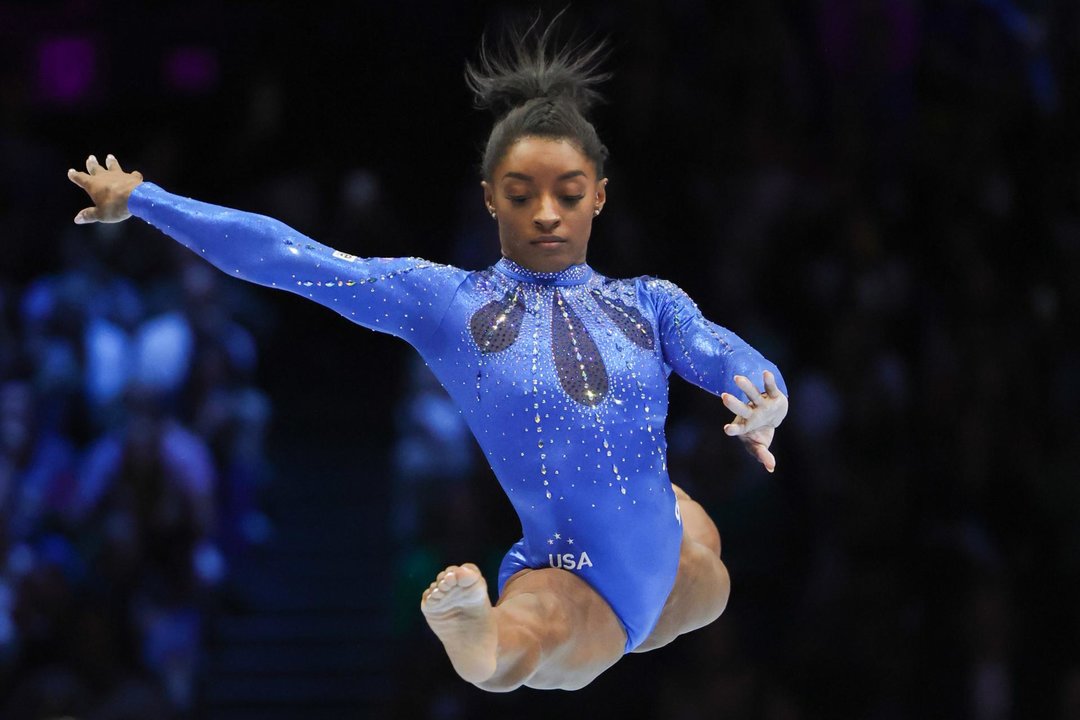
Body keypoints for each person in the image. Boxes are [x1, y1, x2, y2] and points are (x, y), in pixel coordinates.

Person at [65, 17, 789, 692]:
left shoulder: (650, 301)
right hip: (573, 576)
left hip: (672, 559)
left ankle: (538, 619)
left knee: (706, 554)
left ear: (598, 196)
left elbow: (723, 353)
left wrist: (766, 397)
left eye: (567, 194)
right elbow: (291, 258)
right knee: (536, 635)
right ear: (488, 199)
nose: (544, 213)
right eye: (520, 193)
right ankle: (478, 636)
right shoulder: (448, 302)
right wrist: (148, 200)